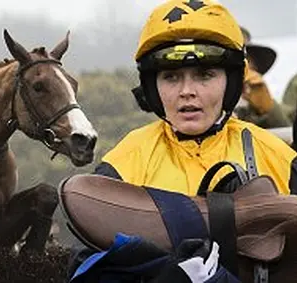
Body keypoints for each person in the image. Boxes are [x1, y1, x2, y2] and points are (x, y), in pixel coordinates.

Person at [67, 0, 297, 282]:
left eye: (205, 75)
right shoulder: (125, 160)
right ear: (152, 87)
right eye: (171, 76)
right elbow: (82, 263)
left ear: (231, 83)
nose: (187, 91)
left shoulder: (279, 156)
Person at [233, 26, 290, 128]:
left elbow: (286, 132)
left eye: (247, 60)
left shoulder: (257, 97)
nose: (244, 66)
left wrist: (267, 110)